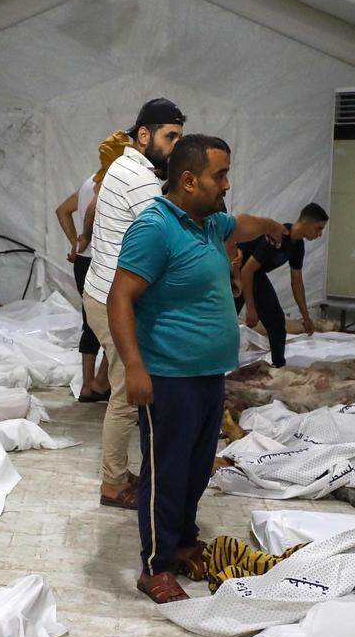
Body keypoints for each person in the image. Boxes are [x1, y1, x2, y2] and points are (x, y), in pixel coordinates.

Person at [107, 134, 289, 603]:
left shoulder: (209, 222)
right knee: (165, 472)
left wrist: (269, 224)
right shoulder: (155, 227)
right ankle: (156, 565)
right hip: (167, 374)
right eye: (220, 175)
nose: (227, 184)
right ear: (188, 180)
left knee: (194, 469)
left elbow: (240, 223)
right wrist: (134, 368)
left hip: (208, 374)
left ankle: (184, 540)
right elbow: (120, 297)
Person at [83, 98, 185, 511]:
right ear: (144, 136)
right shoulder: (141, 179)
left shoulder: (124, 167)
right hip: (113, 300)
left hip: (101, 291)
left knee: (126, 392)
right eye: (170, 137)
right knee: (126, 398)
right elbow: (166, 238)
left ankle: (120, 471)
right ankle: (112, 484)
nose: (177, 146)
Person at [53, 131, 131, 402]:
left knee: (91, 322)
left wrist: (76, 242)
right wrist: (83, 237)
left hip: (84, 262)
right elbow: (92, 211)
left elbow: (62, 210)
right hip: (105, 261)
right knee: (116, 323)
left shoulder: (90, 182)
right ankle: (100, 381)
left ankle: (89, 383)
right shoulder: (114, 181)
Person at [234, 202, 328, 367]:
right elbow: (246, 271)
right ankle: (212, 368)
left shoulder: (297, 245)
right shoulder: (276, 236)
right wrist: (251, 308)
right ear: (306, 223)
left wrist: (306, 318)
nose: (320, 234)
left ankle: (278, 365)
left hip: (256, 275)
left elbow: (297, 282)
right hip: (236, 272)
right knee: (225, 320)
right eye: (318, 228)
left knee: (276, 321)